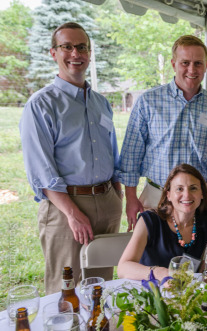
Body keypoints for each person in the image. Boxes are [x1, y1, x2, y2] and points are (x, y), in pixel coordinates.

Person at [19, 22, 122, 294]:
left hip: (107, 202)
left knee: (102, 286)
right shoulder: (41, 104)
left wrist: (117, 195)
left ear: (89, 53)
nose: (75, 53)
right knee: (64, 290)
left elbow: (111, 150)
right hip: (67, 208)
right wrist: (72, 213)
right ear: (54, 53)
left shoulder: (101, 102)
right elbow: (41, 168)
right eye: (67, 46)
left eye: (82, 47)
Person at [119, 35, 207, 230]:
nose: (192, 70)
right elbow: (131, 156)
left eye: (198, 63)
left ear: (206, 65)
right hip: (156, 195)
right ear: (174, 64)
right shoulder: (149, 102)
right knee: (153, 257)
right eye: (185, 63)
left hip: (198, 198)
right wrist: (131, 198)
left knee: (199, 255)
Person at [117, 164, 207, 280]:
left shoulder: (206, 221)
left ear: (202, 193)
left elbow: (204, 263)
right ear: (168, 195)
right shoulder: (149, 221)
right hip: (150, 291)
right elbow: (123, 268)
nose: (187, 195)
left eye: (193, 188)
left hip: (185, 293)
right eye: (179, 189)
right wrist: (160, 273)